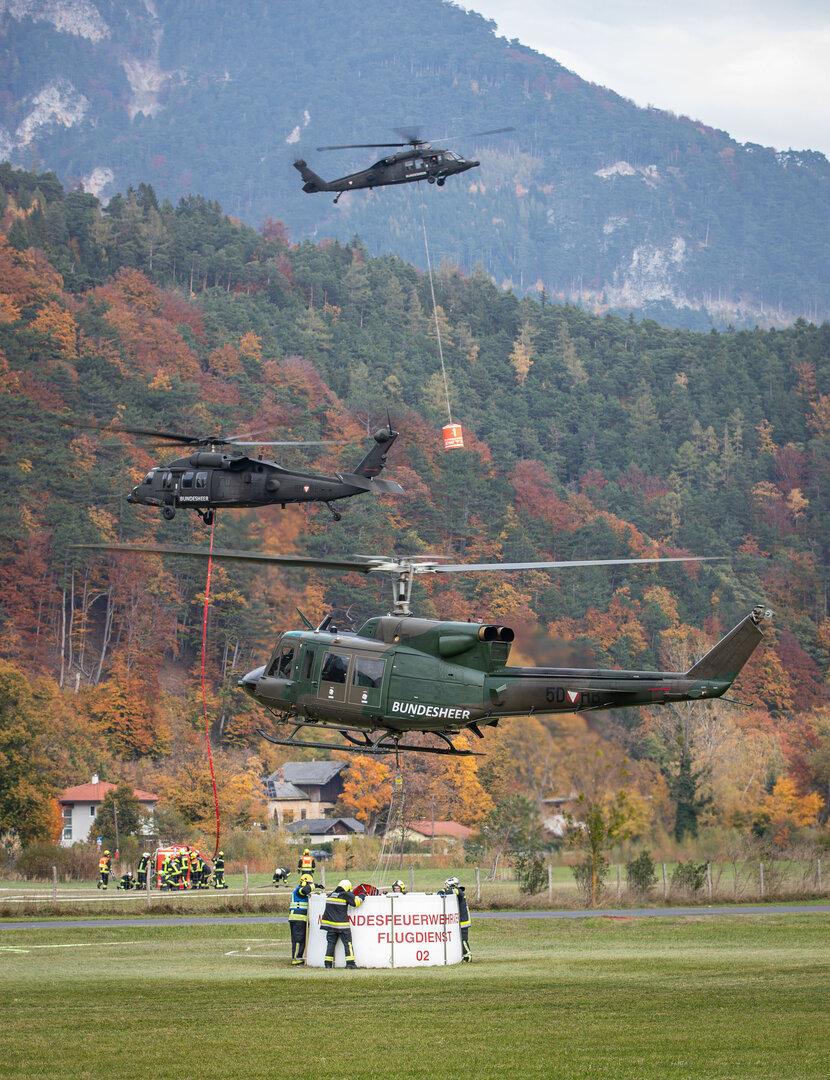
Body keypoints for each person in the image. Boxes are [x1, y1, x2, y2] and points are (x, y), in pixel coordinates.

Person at [321, 879, 363, 969]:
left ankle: (328, 964)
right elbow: (356, 903)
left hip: (330, 926)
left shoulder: (331, 894)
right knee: (348, 944)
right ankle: (350, 964)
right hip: (342, 926)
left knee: (331, 944)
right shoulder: (345, 894)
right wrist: (362, 896)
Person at [440, 877, 471, 962]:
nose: (446, 888)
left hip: (463, 921)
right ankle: (462, 955)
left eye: (447, 886)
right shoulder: (459, 892)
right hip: (460, 920)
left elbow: (451, 891)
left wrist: (442, 892)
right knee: (459, 939)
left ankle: (467, 956)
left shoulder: (458, 891)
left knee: (463, 940)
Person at [288, 873, 315, 965]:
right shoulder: (300, 890)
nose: (310, 886)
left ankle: (297, 957)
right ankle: (296, 958)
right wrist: (315, 886)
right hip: (298, 918)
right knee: (298, 939)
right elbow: (304, 890)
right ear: (304, 883)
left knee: (299, 939)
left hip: (297, 918)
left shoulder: (299, 890)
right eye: (309, 883)